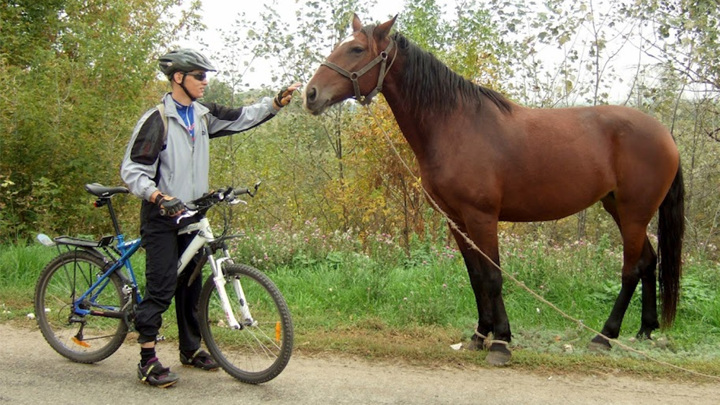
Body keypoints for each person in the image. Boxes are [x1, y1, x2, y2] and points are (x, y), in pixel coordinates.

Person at [120, 48, 300, 388]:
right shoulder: (157, 119)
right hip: (162, 215)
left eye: (206, 76)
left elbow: (241, 116)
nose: (206, 81)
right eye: (199, 76)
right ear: (178, 78)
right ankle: (147, 359)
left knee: (190, 285)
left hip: (192, 213)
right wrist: (159, 195)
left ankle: (190, 349)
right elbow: (133, 171)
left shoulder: (202, 115)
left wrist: (274, 103)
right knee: (161, 286)